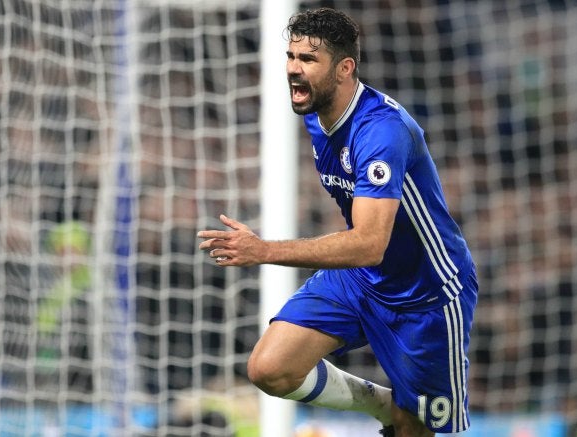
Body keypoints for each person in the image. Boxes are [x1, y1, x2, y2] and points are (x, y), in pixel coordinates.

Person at [197, 7, 478, 437]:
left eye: (308, 60)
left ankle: (408, 414)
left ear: (345, 68)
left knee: (414, 432)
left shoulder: (381, 131)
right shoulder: (315, 115)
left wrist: (265, 251)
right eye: (291, 57)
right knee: (269, 368)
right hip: (361, 279)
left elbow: (369, 242)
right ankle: (388, 404)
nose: (293, 70)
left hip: (426, 295)